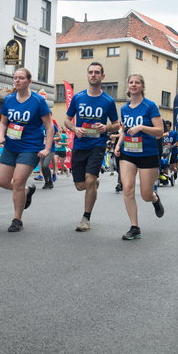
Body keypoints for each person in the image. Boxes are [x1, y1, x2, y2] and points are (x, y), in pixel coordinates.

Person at [63, 62, 119, 232]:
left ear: (102, 76)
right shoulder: (78, 98)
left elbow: (116, 125)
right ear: (87, 75)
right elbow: (66, 120)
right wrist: (74, 128)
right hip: (80, 144)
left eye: (97, 72)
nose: (93, 75)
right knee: (80, 185)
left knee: (90, 178)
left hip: (97, 144)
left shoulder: (108, 101)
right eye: (91, 72)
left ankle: (86, 218)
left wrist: (106, 128)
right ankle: (93, 184)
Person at [0, 68, 53, 232]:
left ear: (29, 81)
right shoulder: (8, 100)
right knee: (2, 181)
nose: (17, 81)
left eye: (21, 78)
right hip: (11, 146)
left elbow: (49, 127)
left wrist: (47, 148)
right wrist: (1, 136)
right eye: (15, 78)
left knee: (18, 182)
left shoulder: (38, 101)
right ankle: (27, 191)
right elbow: (3, 123)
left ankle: (17, 219)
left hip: (30, 147)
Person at [114, 74, 164, 240]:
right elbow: (125, 129)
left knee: (145, 194)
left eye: (137, 83)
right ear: (127, 86)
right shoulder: (124, 109)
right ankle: (134, 227)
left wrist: (142, 127)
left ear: (142, 87)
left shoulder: (150, 106)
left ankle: (155, 199)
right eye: (131, 82)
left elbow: (160, 131)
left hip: (148, 154)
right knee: (127, 188)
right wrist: (119, 144)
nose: (133, 85)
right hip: (128, 153)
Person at [40, 115, 60, 189]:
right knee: (43, 167)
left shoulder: (53, 126)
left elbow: (59, 137)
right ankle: (46, 182)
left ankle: (50, 181)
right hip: (41, 149)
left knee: (45, 165)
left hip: (50, 149)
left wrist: (51, 138)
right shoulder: (39, 126)